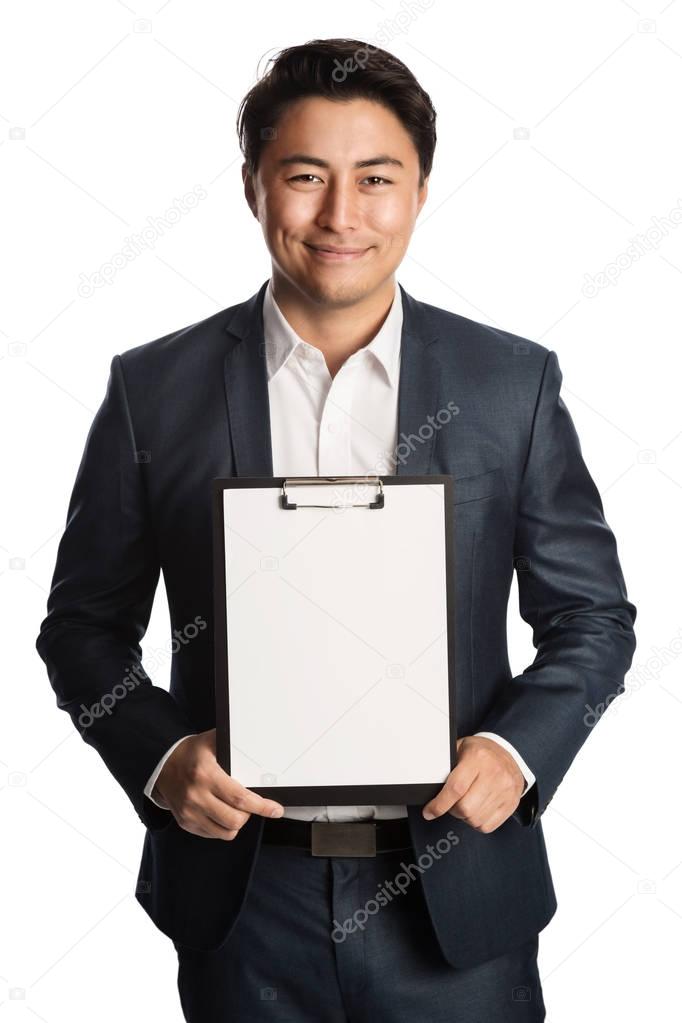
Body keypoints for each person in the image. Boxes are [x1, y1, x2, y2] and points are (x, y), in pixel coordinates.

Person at [36, 37, 637, 1022]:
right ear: (254, 187)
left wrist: (517, 753)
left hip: (457, 896)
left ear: (420, 191)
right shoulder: (156, 391)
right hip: (242, 900)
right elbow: (82, 629)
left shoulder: (506, 384)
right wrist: (159, 756)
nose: (339, 216)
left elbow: (593, 617)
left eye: (375, 179)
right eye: (305, 177)